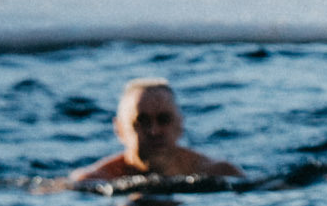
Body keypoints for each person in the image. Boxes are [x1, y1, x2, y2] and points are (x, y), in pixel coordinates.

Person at [70, 77, 240, 182]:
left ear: (180, 125)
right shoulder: (94, 180)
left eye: (164, 120)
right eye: (142, 121)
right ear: (119, 129)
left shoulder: (220, 174)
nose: (154, 131)